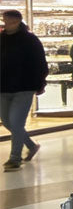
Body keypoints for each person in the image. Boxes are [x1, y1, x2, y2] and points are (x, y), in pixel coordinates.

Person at [0, 9, 47, 171]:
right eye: (4, 20)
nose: (5, 23)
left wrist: (40, 83)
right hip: (3, 88)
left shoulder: (30, 40)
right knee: (7, 121)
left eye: (8, 21)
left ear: (17, 21)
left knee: (16, 122)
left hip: (24, 88)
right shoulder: (2, 39)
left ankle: (15, 158)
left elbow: (41, 63)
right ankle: (31, 146)